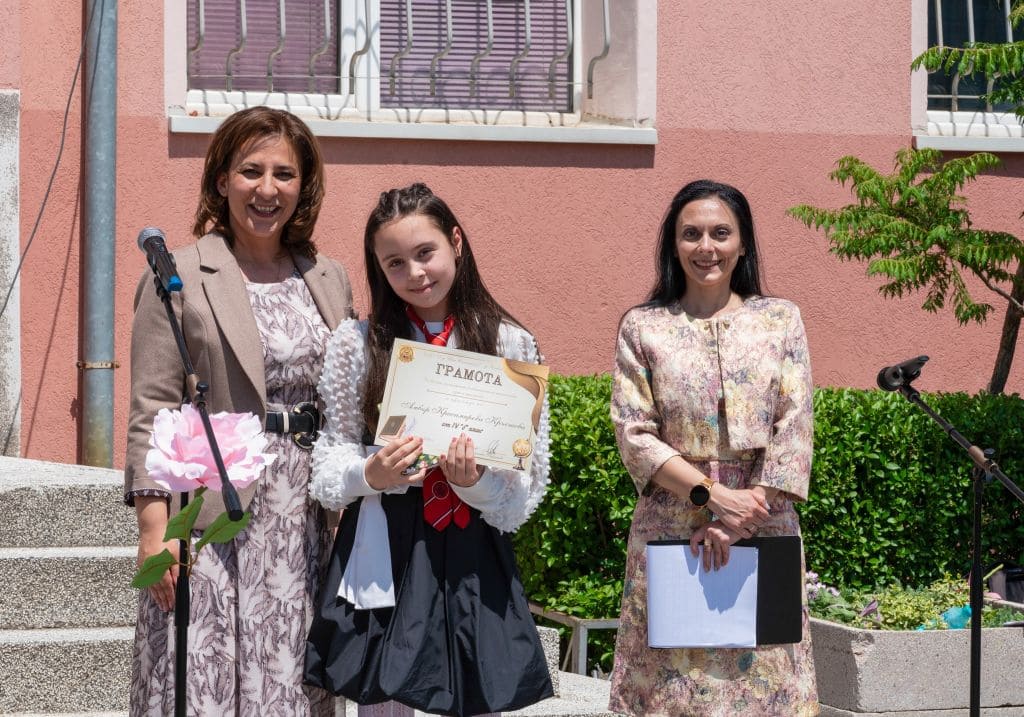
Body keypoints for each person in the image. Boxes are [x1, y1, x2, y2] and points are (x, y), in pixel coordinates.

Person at [124, 106, 353, 715]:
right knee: (205, 680)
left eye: (285, 173)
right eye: (251, 171)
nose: (267, 189)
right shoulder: (178, 275)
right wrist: (154, 532)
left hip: (306, 518)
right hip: (213, 516)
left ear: (303, 186)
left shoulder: (328, 277)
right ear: (222, 180)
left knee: (290, 677)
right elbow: (152, 409)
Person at [304, 182, 553, 717]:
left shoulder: (511, 344)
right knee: (383, 698)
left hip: (472, 547)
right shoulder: (358, 343)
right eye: (395, 263)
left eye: (425, 253)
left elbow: (523, 493)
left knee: (475, 694)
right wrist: (370, 473)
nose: (415, 273)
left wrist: (475, 483)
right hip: (385, 540)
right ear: (378, 269)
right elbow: (329, 460)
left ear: (455, 243)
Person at [608, 180, 819, 716]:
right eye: (692, 234)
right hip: (671, 524)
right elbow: (635, 434)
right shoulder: (643, 327)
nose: (707, 247)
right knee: (671, 687)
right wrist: (714, 498)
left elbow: (794, 428)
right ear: (673, 244)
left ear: (742, 244)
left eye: (721, 233)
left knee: (766, 678)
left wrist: (739, 519)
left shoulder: (780, 320)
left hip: (765, 519)